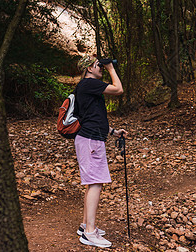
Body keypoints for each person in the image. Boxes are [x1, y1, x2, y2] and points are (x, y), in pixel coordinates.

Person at [74, 54, 127, 248]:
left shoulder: (86, 87)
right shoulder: (88, 84)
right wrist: (112, 69)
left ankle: (84, 226)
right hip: (90, 141)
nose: (101, 68)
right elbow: (118, 89)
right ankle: (89, 232)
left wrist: (113, 131)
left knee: (93, 183)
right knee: (95, 183)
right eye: (98, 66)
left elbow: (93, 116)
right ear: (89, 69)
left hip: (90, 138)